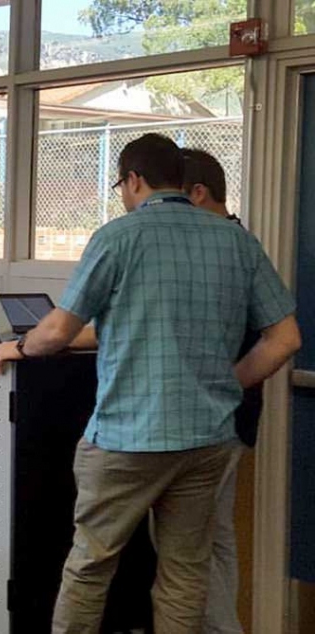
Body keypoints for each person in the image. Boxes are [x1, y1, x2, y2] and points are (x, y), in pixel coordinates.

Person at [0, 133, 300, 632]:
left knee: (90, 566)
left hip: (126, 438)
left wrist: (18, 347)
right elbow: (284, 339)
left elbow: (59, 331)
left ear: (133, 180)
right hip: (207, 439)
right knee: (184, 572)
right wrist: (225, 383)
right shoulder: (237, 240)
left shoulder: (118, 236)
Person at [182, 148, 263, 634]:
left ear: (198, 193)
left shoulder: (226, 248)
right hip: (231, 416)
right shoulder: (239, 242)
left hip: (215, 418)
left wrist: (221, 384)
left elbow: (281, 338)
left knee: (192, 540)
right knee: (217, 539)